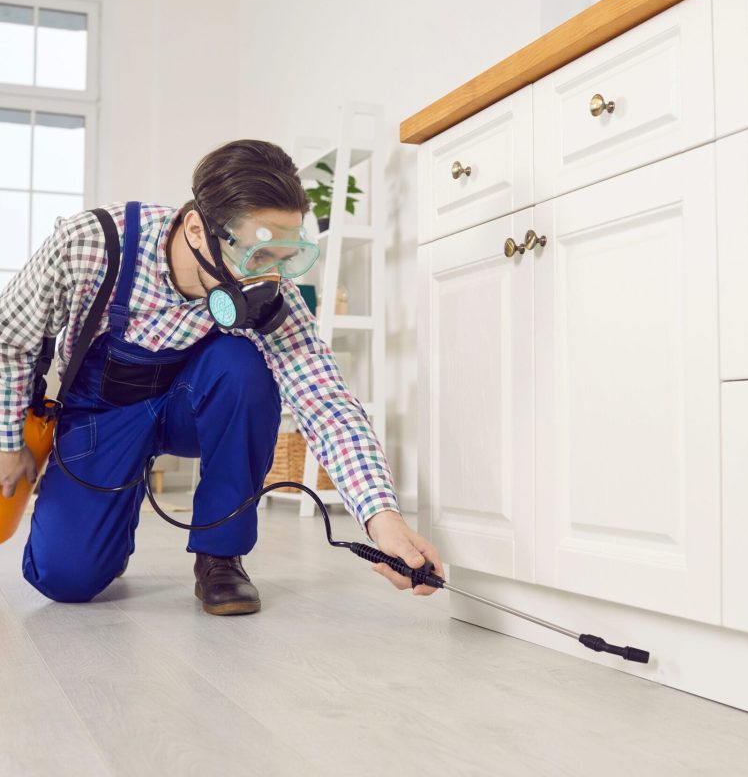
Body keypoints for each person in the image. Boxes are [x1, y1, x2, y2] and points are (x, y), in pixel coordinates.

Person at [0, 140, 444, 615]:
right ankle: (111, 512)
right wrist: (8, 443)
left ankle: (220, 554)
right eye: (257, 255)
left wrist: (383, 521)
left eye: (285, 256)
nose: (269, 277)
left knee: (244, 365)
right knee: (65, 579)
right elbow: (11, 342)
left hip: (189, 404)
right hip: (101, 411)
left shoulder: (272, 295)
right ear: (197, 229)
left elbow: (326, 402)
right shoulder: (91, 243)